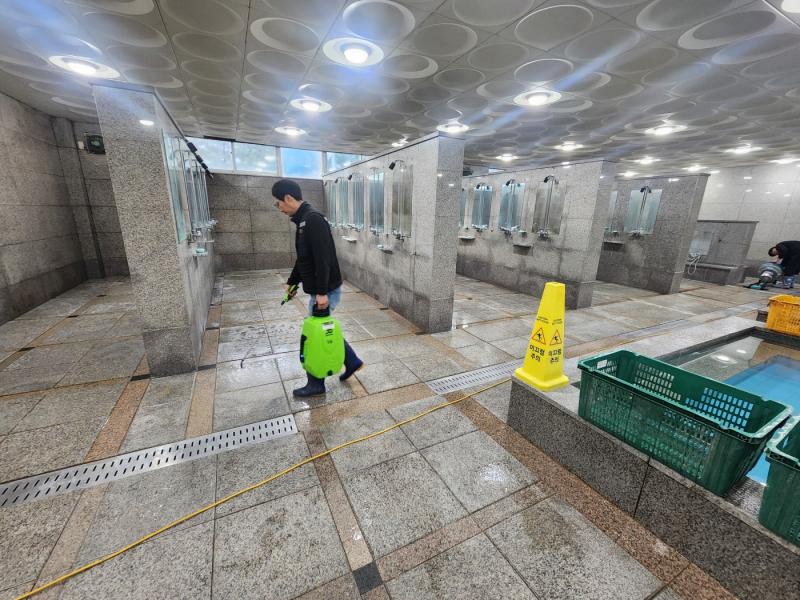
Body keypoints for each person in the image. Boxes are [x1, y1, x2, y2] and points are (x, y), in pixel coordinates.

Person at [272, 179, 364, 397]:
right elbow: (305, 259)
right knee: (319, 328)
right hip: (321, 288)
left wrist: (322, 292)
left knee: (314, 334)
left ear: (288, 198)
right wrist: (293, 282)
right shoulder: (303, 220)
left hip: (326, 289)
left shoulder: (313, 219)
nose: (279, 208)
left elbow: (323, 260)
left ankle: (316, 384)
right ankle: (352, 361)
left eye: (278, 203)